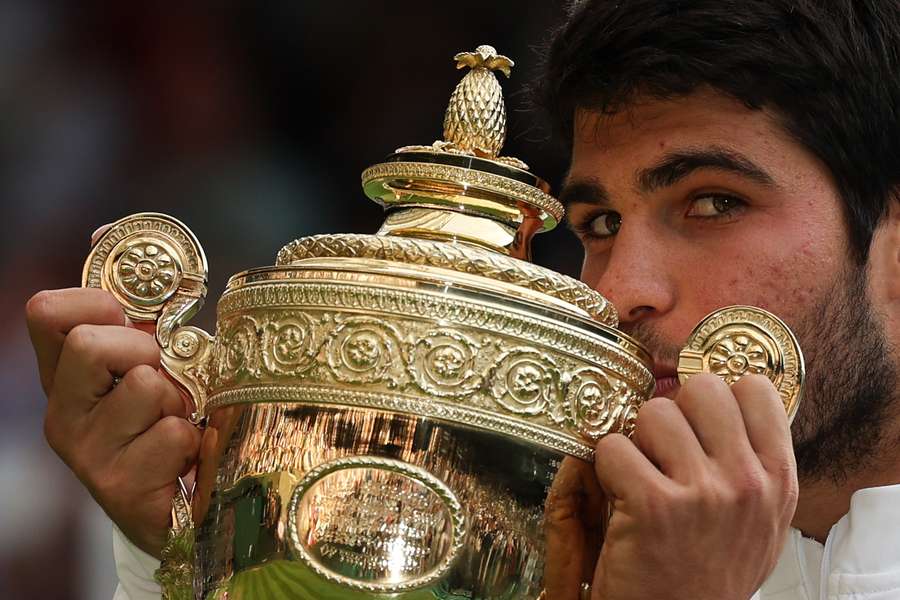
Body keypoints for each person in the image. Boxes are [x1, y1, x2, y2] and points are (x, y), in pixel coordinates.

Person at [25, 0, 900, 598]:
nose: (620, 290)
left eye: (712, 203)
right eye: (598, 222)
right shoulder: (530, 543)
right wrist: (193, 549)